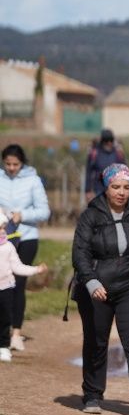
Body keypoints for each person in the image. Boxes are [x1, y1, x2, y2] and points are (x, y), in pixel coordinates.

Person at [72, 164, 129, 415]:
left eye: (126, 187)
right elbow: (80, 252)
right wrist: (90, 281)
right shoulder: (91, 216)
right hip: (97, 287)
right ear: (106, 187)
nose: (121, 192)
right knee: (96, 341)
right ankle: (92, 394)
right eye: (116, 187)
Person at [0, 144, 50, 352]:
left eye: (16, 164)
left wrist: (23, 215)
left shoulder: (33, 180)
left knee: (18, 283)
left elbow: (44, 211)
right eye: (8, 164)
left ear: (22, 163)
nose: (11, 168)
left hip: (27, 237)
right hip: (4, 238)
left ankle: (16, 333)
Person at [0, 212, 47, 363]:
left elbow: (17, 267)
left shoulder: (8, 247)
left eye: (3, 228)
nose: (2, 231)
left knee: (5, 318)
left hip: (6, 288)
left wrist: (35, 270)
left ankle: (4, 347)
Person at [85, 129, 125, 201]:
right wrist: (88, 190)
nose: (109, 143)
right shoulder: (95, 153)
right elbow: (89, 171)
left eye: (111, 141)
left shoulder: (117, 153)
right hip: (99, 189)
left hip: (115, 189)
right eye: (106, 141)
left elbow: (124, 170)